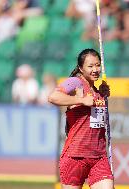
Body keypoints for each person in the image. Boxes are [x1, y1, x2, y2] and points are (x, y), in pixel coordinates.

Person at [48, 49, 114, 189]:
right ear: (81, 68)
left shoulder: (98, 91)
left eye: (97, 65)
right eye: (90, 66)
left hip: (98, 157)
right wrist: (81, 100)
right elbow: (53, 97)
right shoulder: (76, 82)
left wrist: (101, 95)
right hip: (75, 157)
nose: (95, 70)